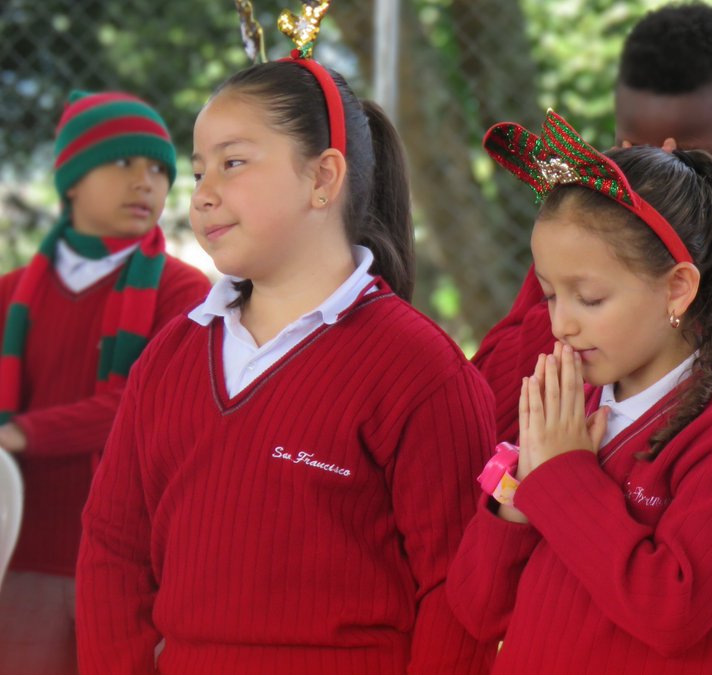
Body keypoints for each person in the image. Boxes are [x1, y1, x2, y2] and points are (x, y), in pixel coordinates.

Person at [75, 28, 494, 674]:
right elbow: (112, 550)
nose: (203, 192)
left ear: (323, 177)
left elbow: (456, 591)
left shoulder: (420, 370)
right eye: (198, 170)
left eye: (233, 162)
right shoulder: (169, 358)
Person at [471, 8, 712, 664]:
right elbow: (497, 400)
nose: (663, 162)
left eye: (692, 149)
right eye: (638, 144)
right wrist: (595, 284)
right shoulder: (586, 264)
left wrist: (681, 295)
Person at [447, 111, 712, 674]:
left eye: (589, 298)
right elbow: (478, 609)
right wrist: (520, 497)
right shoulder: (572, 406)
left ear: (677, 289)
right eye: (551, 295)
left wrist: (563, 478)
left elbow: (671, 613)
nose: (561, 324)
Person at [0, 90, 210, 675]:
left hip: (133, 567)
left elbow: (140, 409)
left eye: (159, 170)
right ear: (70, 178)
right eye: (123, 163)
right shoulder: (10, 294)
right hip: (23, 557)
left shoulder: (184, 292)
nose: (145, 183)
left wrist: (21, 434)